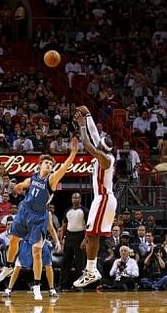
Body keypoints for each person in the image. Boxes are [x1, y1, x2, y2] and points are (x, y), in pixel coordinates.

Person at [0, 137, 78, 300]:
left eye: (51, 164)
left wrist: (73, 153)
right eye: (46, 163)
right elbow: (23, 185)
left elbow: (65, 168)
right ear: (40, 165)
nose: (49, 166)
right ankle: (8, 267)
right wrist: (18, 187)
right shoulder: (32, 178)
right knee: (13, 239)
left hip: (38, 217)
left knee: (37, 252)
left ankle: (38, 286)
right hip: (24, 211)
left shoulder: (51, 180)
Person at [73, 107, 117, 288]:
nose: (97, 142)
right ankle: (91, 269)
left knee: (93, 234)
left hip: (104, 199)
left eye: (99, 144)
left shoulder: (105, 159)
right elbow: (94, 134)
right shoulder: (105, 151)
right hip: (102, 199)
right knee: (93, 234)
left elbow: (88, 143)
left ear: (102, 149)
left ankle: (91, 270)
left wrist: (81, 126)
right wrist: (89, 115)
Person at [4, 213, 61, 298]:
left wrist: (57, 241)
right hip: (27, 242)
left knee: (48, 266)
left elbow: (51, 228)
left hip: (41, 242)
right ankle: (9, 289)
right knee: (18, 266)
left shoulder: (47, 213)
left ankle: (52, 289)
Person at [58, 192, 88, 290]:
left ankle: (79, 286)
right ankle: (62, 285)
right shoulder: (67, 210)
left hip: (80, 236)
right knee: (65, 262)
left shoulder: (84, 211)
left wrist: (85, 240)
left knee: (80, 263)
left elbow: (88, 227)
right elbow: (64, 226)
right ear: (71, 199)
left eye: (77, 198)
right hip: (69, 237)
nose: (75, 200)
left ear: (80, 199)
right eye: (73, 198)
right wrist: (61, 239)